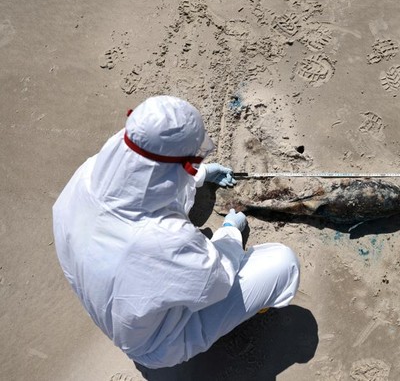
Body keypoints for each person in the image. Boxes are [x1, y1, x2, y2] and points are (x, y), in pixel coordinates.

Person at [52, 95, 300, 368]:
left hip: (110, 308)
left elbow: (143, 175)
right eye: (192, 162)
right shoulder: (163, 239)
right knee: (282, 263)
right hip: (154, 345)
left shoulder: (86, 173)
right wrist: (229, 233)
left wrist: (201, 174)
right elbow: (216, 281)